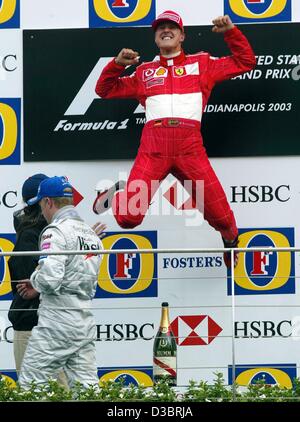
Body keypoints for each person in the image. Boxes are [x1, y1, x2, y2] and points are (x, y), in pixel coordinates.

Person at [93, 11, 256, 268]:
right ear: (155, 38)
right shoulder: (144, 72)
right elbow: (104, 90)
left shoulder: (202, 63)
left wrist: (230, 33)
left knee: (223, 219)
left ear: (182, 35)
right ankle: (118, 192)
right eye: (160, 28)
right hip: (153, 149)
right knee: (127, 219)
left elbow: (245, 62)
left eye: (172, 27)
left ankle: (231, 242)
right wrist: (117, 63)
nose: (165, 30)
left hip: (189, 149)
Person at [17, 176, 103, 390]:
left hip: (57, 320)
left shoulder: (55, 231)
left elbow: (49, 279)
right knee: (87, 389)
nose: (42, 212)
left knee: (31, 386)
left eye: (40, 205)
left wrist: (36, 277)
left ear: (48, 202)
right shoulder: (91, 235)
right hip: (84, 320)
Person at [8, 173, 67, 388]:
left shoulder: (48, 233)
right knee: (46, 392)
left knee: (42, 392)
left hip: (42, 325)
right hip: (36, 325)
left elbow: (32, 285)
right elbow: (26, 286)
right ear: (44, 201)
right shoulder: (33, 236)